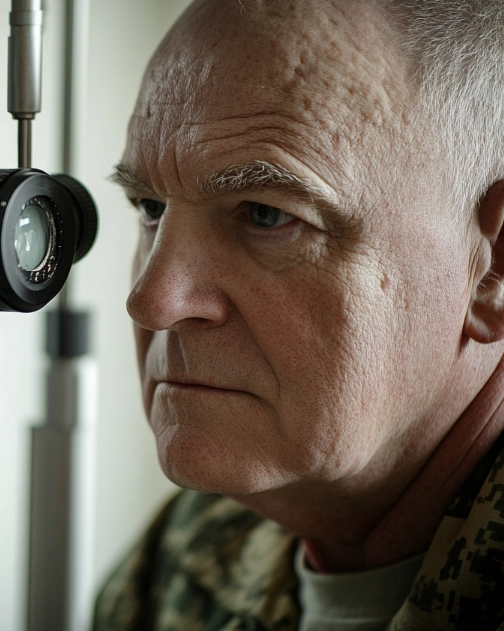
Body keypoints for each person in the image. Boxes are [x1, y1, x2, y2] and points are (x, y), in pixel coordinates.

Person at [94, 1, 504, 629]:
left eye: (266, 214)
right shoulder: (186, 554)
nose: (154, 302)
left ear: (492, 271)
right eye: (149, 207)